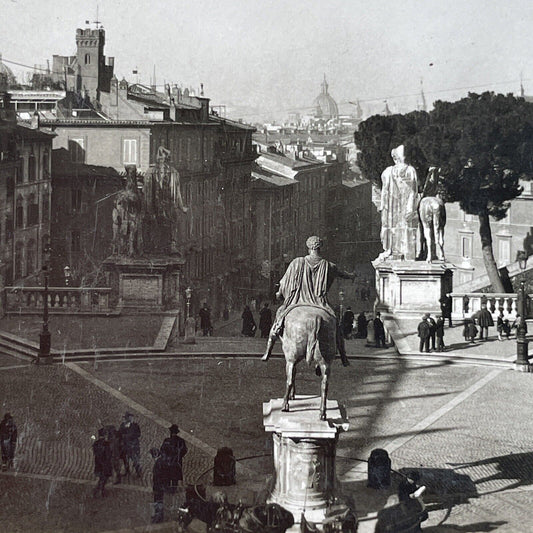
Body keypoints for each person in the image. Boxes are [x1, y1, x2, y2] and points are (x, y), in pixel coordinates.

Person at [261, 236, 355, 364]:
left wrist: (279, 293)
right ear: (320, 247)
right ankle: (343, 356)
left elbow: (284, 282)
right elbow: (343, 274)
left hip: (297, 302)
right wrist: (352, 275)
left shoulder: (297, 262)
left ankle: (268, 350)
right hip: (320, 305)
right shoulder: (328, 265)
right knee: (335, 324)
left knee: (279, 318)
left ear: (308, 247)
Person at [378, 144, 419, 261]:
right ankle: (392, 250)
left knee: (403, 226)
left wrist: (410, 207)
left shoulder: (409, 171)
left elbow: (413, 191)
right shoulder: (389, 172)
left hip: (400, 205)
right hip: (392, 206)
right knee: (393, 227)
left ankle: (403, 252)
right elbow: (385, 191)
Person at [160, 424, 188, 494]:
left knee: (168, 475)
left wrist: (165, 457)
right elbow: (184, 450)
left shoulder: (167, 440)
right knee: (175, 476)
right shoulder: (181, 441)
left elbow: (162, 450)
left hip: (168, 461)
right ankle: (173, 489)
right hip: (176, 462)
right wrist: (179, 456)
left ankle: (168, 488)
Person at [119, 412, 142, 477]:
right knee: (125, 459)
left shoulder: (135, 426)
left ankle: (138, 472)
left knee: (135, 459)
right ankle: (127, 471)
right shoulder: (122, 425)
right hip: (125, 445)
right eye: (127, 418)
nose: (128, 419)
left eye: (130, 417)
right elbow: (120, 433)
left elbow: (138, 434)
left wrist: (131, 436)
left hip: (133, 446)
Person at [92, 428, 113, 498]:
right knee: (103, 479)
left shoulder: (96, 443)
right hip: (105, 465)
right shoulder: (106, 444)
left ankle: (98, 491)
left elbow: (96, 453)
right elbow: (108, 455)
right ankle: (100, 491)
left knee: (101, 478)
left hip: (98, 464)